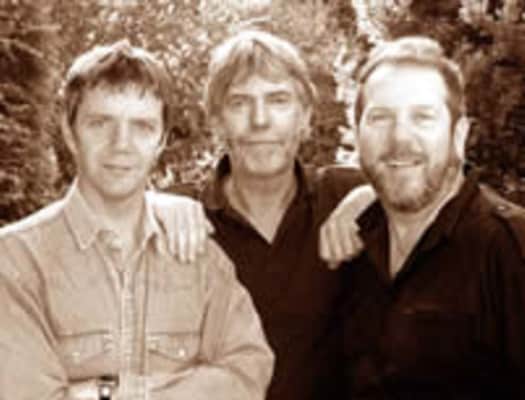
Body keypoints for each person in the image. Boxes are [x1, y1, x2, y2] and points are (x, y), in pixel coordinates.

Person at [0, 40, 273, 400]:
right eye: (100, 123)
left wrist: (112, 392)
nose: (121, 144)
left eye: (142, 126)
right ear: (69, 131)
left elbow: (247, 372)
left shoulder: (199, 257)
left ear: (161, 140)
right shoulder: (15, 262)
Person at [341, 36, 525, 399]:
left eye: (423, 117)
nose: (400, 138)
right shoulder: (350, 246)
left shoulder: (509, 251)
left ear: (459, 135)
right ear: (358, 134)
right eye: (380, 117)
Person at [201, 29, 370, 400]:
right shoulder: (182, 218)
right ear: (217, 121)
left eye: (278, 100)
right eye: (240, 103)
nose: (260, 120)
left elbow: (442, 195)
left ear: (304, 117)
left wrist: (373, 195)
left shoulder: (342, 197)